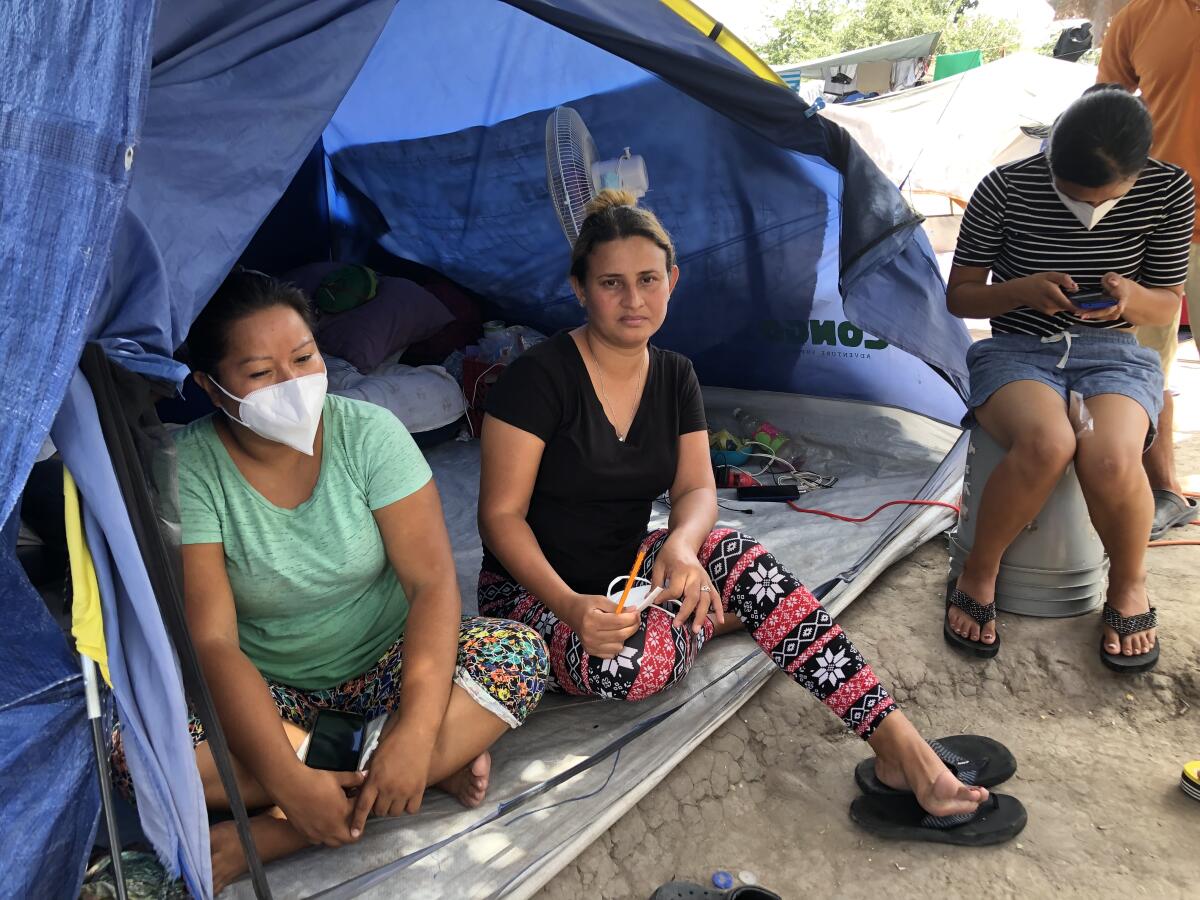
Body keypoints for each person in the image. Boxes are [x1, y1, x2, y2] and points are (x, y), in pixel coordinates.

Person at [477, 190, 992, 826]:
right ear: (580, 289)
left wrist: (680, 546)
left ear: (673, 281)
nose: (633, 300)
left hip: (632, 574)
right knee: (629, 667)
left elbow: (696, 491)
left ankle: (896, 745)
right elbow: (500, 519)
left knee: (739, 554)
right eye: (611, 283)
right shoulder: (538, 378)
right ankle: (721, 616)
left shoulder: (674, 375)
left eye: (647, 280)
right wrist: (568, 606)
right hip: (536, 596)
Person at [113, 270, 549, 892]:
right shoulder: (191, 467)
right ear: (211, 389)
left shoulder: (369, 435)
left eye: (303, 357)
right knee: (138, 750)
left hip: (388, 667)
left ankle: (278, 831)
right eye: (260, 374)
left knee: (518, 655)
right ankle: (411, 773)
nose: (292, 385)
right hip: (273, 697)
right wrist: (290, 780)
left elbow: (431, 585)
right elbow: (214, 642)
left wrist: (418, 725)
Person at [945, 86, 1194, 672]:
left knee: (1109, 455)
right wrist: (1021, 291)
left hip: (1113, 350)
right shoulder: (1006, 187)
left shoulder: (1168, 189)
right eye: (1068, 194)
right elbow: (960, 296)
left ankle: (1128, 586)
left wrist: (1133, 298)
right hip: (1017, 348)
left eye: (1104, 198)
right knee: (1049, 442)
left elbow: (1167, 306)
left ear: (1137, 172)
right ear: (1051, 158)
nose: (1085, 210)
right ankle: (980, 572)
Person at [1098, 0, 1200, 539]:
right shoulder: (1143, 15)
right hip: (1154, 220)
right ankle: (1166, 490)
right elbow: (1104, 108)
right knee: (1140, 364)